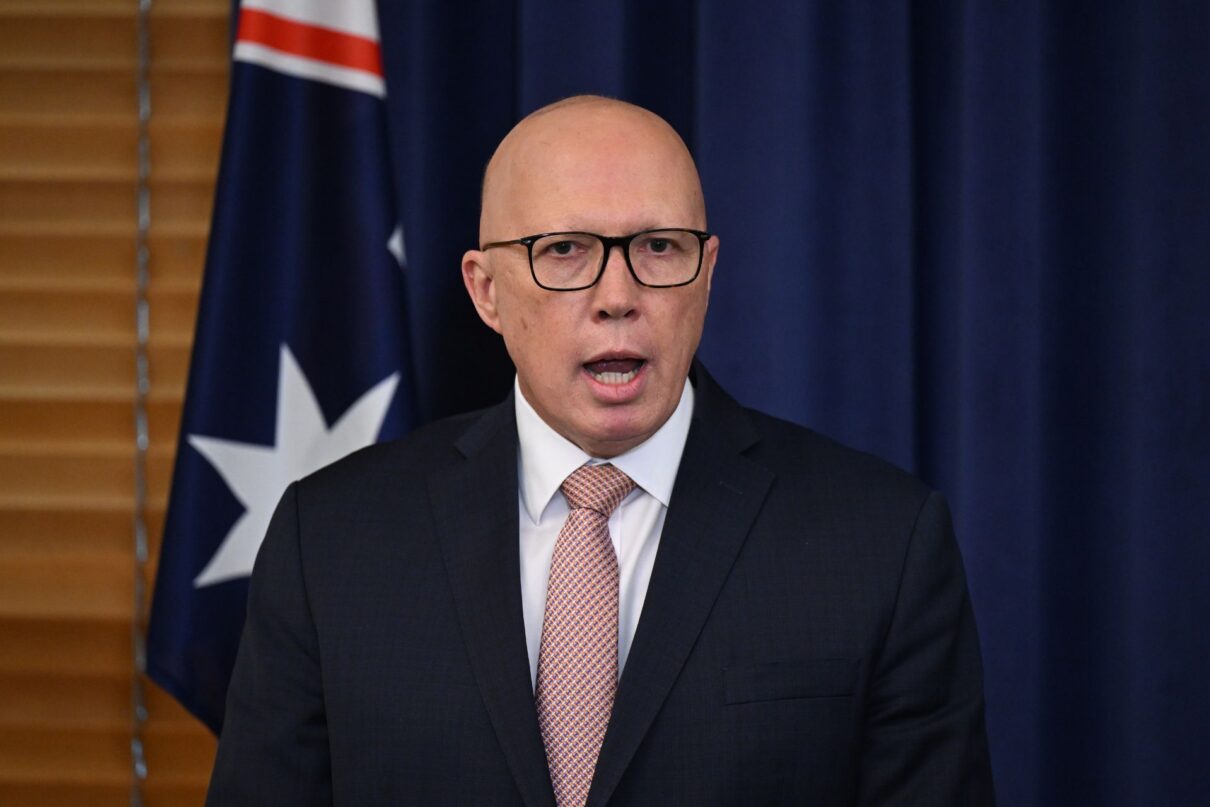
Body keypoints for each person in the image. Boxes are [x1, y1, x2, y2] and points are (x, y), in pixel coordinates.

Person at [207, 95, 995, 805]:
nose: (618, 297)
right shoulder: (332, 539)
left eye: (657, 247)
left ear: (708, 274)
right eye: (565, 251)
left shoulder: (883, 542)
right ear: (486, 290)